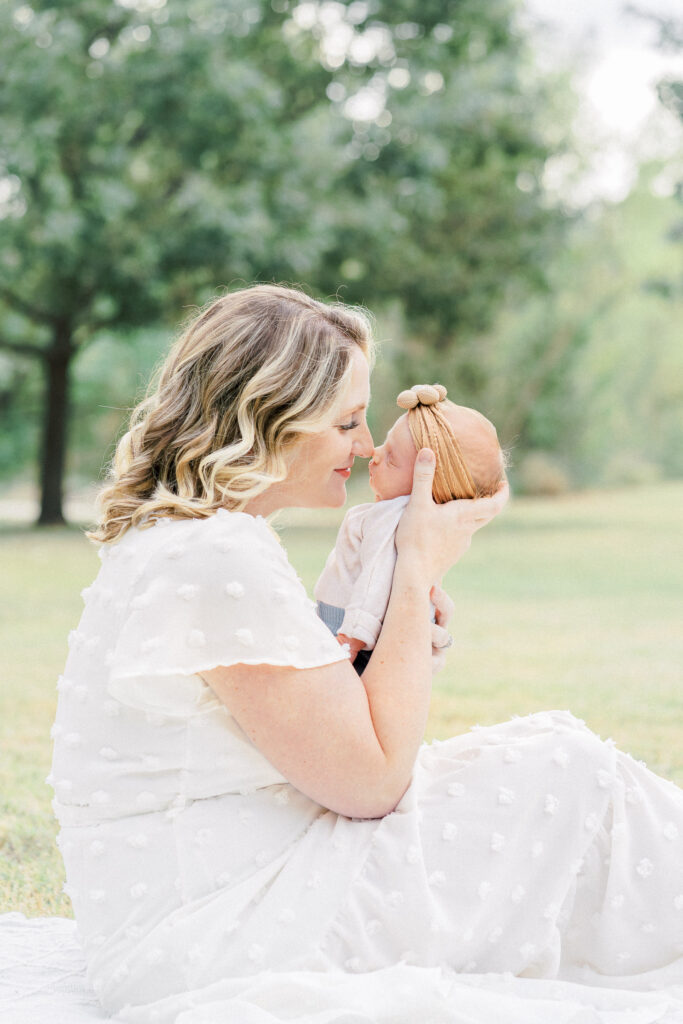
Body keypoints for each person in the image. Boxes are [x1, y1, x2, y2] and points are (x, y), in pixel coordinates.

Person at [49, 284, 683, 1024]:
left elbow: (333, 717)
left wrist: (398, 602)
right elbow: (372, 781)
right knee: (568, 769)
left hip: (218, 899)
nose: (365, 446)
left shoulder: (192, 540)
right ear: (271, 416)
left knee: (560, 760)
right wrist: (412, 572)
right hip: (230, 928)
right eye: (347, 421)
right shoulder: (214, 556)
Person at [315, 383, 505, 669]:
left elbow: (374, 581)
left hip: (353, 635)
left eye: (391, 459)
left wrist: (352, 636)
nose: (374, 454)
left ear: (426, 485)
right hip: (383, 632)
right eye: (385, 444)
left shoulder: (387, 520)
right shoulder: (413, 524)